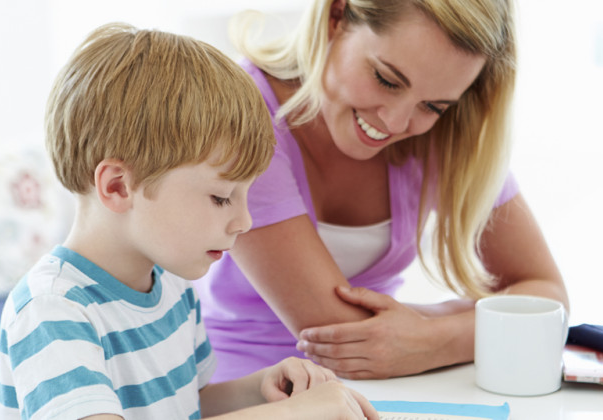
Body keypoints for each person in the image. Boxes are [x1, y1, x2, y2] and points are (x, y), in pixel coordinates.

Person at [0, 22, 377, 420]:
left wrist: (261, 388)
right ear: (119, 187)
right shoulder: (52, 310)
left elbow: (189, 403)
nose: (243, 221)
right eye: (221, 197)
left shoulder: (172, 283)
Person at [195, 0, 570, 382]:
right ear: (336, 16)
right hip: (249, 386)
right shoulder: (242, 117)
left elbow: (549, 297)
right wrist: (464, 327)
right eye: (387, 80)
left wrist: (429, 335)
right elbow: (343, 340)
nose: (396, 122)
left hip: (397, 384)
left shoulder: (445, 136)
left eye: (433, 106)